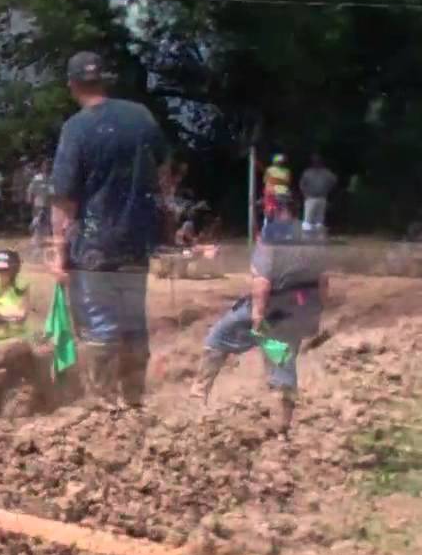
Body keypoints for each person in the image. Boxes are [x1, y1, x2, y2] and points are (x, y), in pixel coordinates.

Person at [49, 51, 168, 409]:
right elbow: (164, 168)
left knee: (100, 323)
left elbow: (64, 198)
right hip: (137, 240)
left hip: (94, 244)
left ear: (72, 85)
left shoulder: (77, 128)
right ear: (105, 80)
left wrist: (58, 252)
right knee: (133, 320)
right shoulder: (141, 117)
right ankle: (133, 399)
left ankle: (103, 403)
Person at [191, 189, 329, 434]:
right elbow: (323, 281)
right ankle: (282, 427)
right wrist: (315, 313)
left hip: (269, 311)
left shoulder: (271, 237)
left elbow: (262, 282)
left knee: (218, 338)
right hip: (296, 312)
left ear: (278, 210)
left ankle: (197, 400)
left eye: (267, 209)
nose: (265, 214)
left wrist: (257, 316)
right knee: (281, 359)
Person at [299, 154, 337, 235]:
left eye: (318, 161)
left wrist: (328, 189)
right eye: (315, 161)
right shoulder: (307, 172)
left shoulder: (326, 172)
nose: (316, 163)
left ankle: (318, 242)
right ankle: (306, 240)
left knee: (319, 222)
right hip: (310, 197)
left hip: (322, 197)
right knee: (307, 221)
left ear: (321, 162)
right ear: (312, 163)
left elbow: (334, 181)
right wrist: (305, 194)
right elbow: (302, 184)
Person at [262, 154, 290, 232]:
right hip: (271, 193)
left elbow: (287, 181)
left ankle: (282, 233)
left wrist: (274, 180)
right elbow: (266, 181)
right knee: (269, 213)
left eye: (281, 161)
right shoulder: (270, 170)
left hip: (283, 194)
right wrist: (278, 181)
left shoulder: (286, 170)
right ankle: (266, 231)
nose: (280, 163)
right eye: (278, 161)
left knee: (282, 213)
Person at [26, 161, 52, 244]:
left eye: (48, 166)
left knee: (47, 222)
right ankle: (35, 238)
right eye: (45, 166)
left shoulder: (51, 178)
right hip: (38, 203)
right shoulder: (37, 178)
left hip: (49, 203)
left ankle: (45, 239)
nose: (46, 167)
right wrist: (29, 197)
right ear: (42, 167)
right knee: (37, 221)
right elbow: (31, 189)